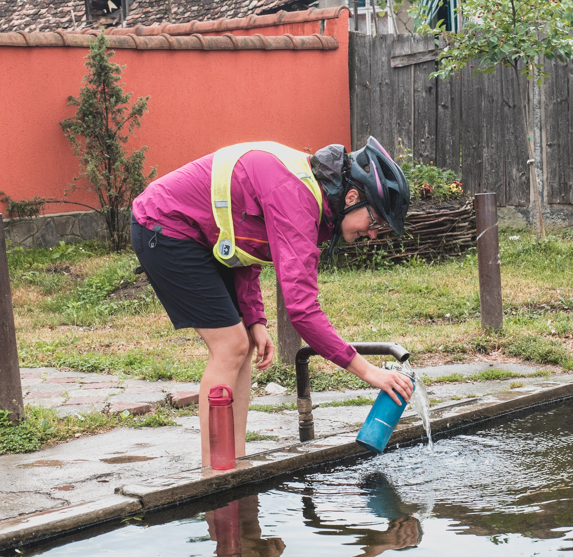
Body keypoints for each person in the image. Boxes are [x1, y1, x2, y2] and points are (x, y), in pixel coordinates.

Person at [131, 138, 414, 467]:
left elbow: (246, 243)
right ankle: (213, 474)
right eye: (376, 222)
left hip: (199, 234)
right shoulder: (296, 196)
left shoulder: (308, 195)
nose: (375, 234)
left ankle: (234, 463)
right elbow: (303, 311)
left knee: (244, 343)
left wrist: (255, 319)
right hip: (165, 225)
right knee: (229, 346)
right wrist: (368, 371)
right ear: (352, 197)